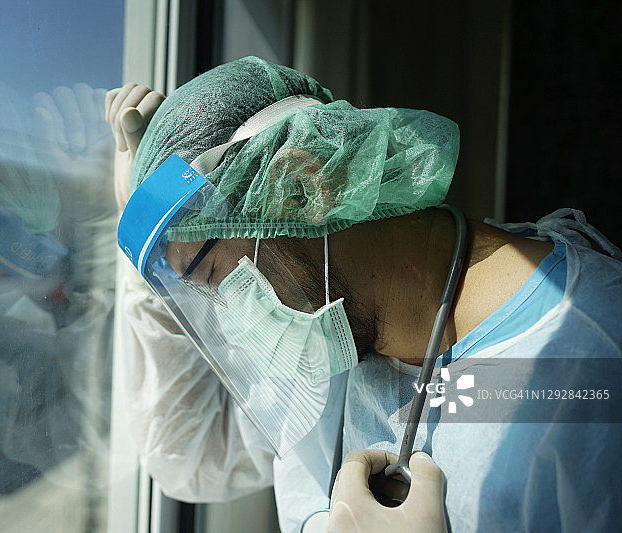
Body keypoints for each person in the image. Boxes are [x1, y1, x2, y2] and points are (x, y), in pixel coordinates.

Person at [106, 57, 622, 532]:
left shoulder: (586, 364)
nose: (225, 316)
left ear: (301, 188)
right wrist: (144, 273)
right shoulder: (329, 344)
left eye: (212, 276)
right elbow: (191, 457)